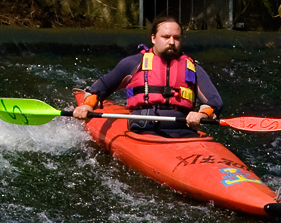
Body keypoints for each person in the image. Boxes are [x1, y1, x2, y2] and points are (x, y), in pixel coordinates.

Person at [72, 15, 223, 137]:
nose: (172, 42)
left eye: (176, 38)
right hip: (143, 127)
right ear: (153, 38)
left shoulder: (192, 68)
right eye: (166, 37)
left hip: (183, 129)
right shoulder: (133, 63)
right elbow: (100, 89)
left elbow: (215, 102)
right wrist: (86, 105)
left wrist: (202, 114)